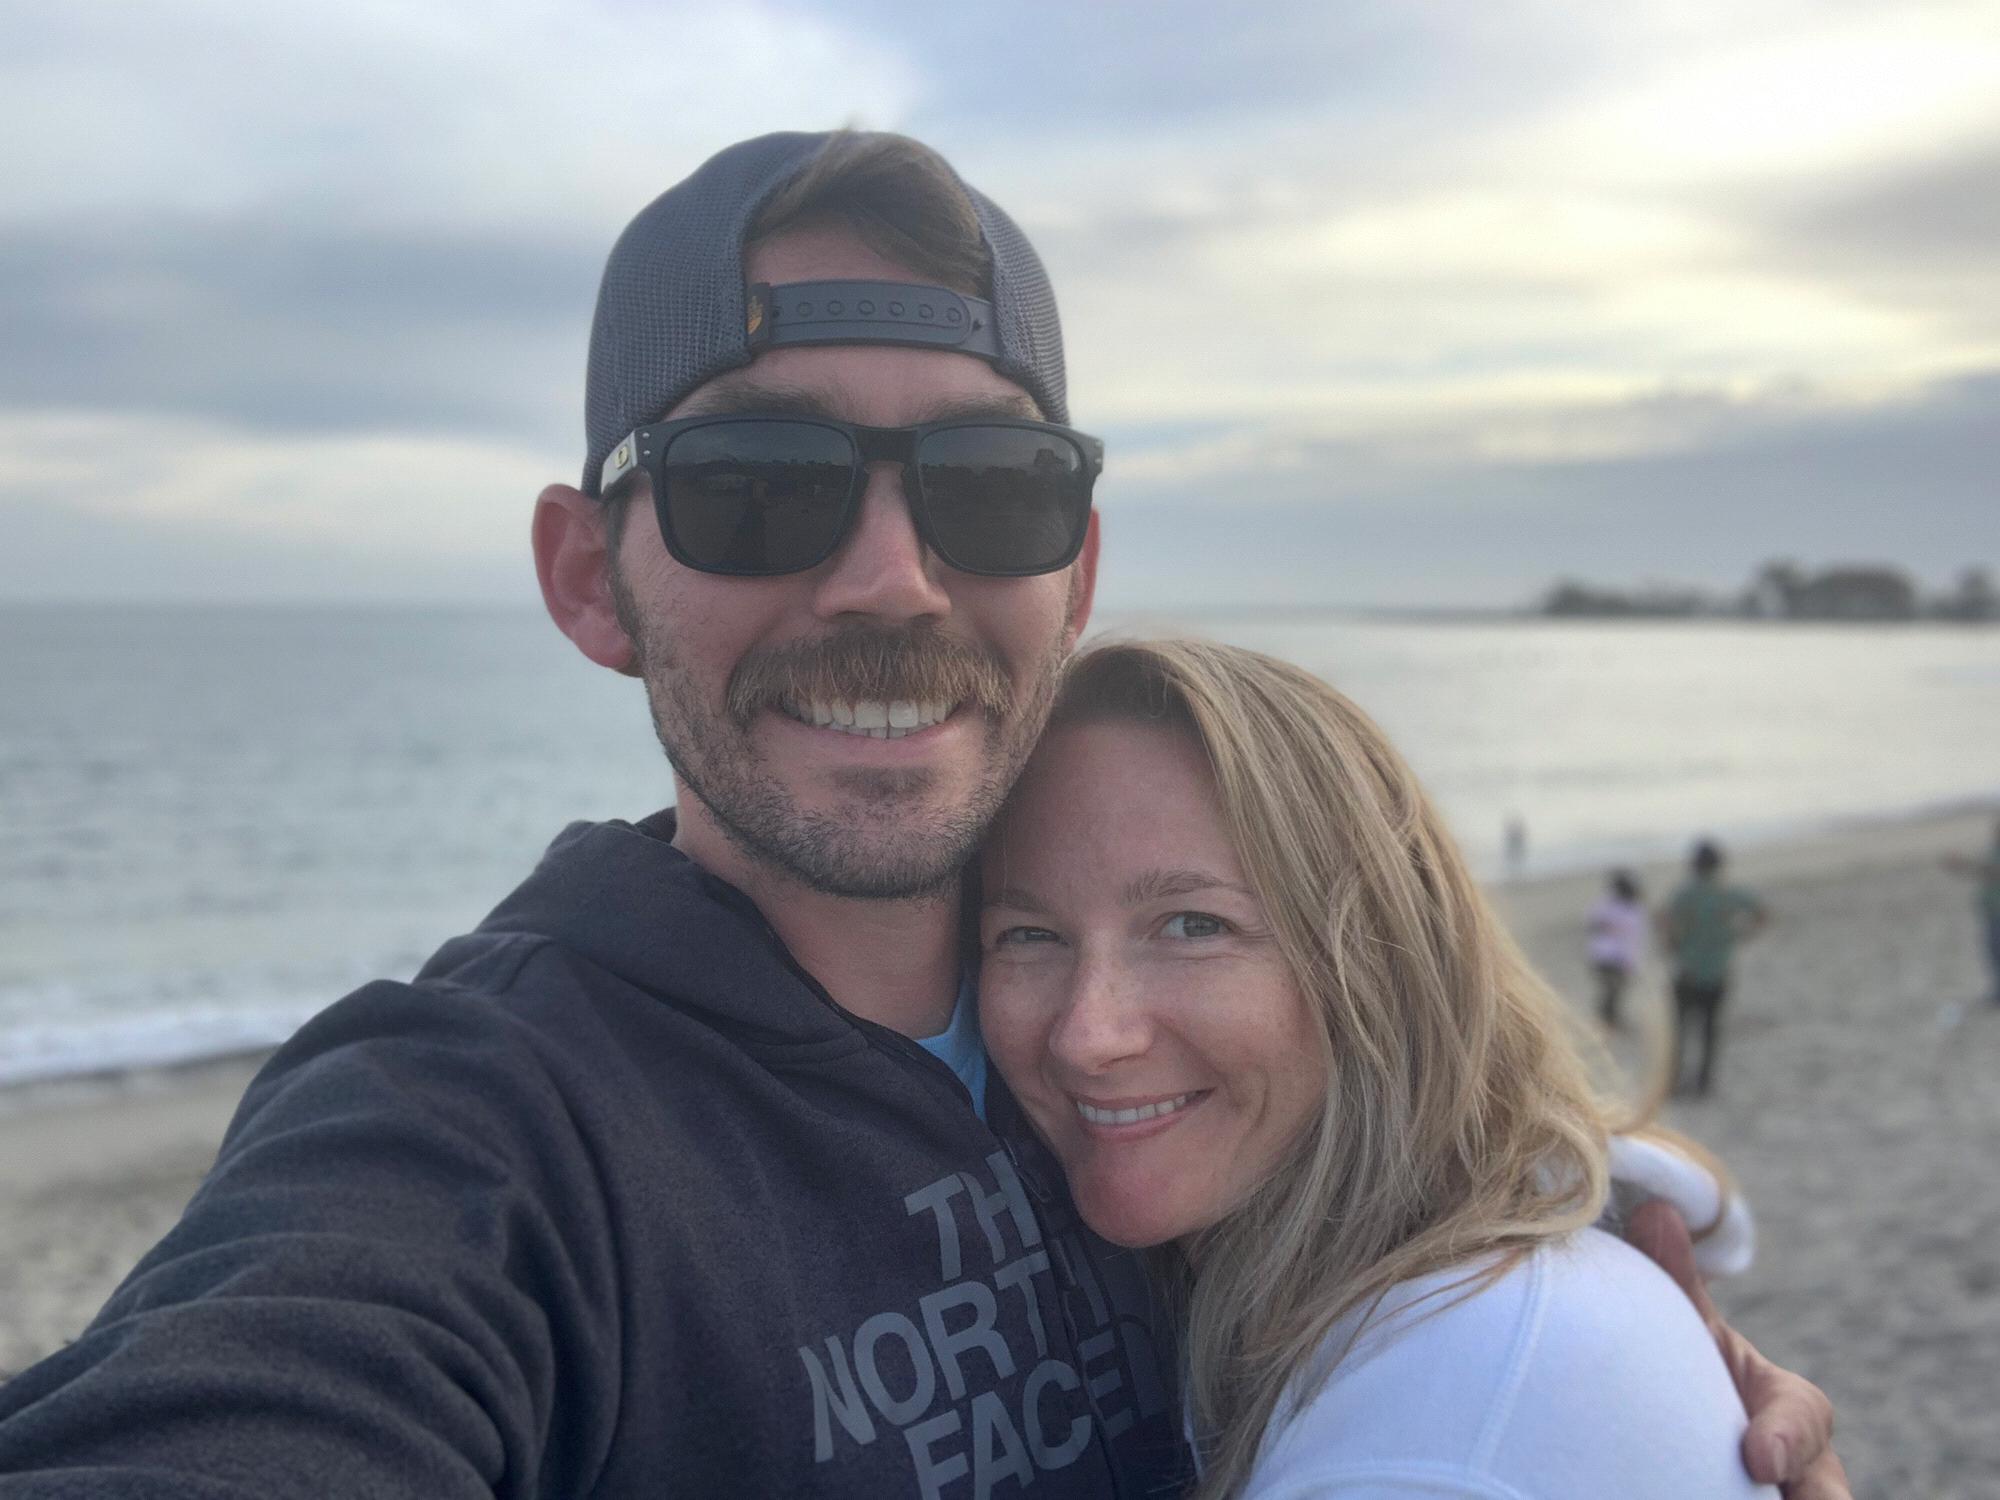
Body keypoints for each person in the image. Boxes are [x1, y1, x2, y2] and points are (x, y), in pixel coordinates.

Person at [0, 131, 1844, 1497]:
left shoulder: (1131, 1076)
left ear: (1077, 572)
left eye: (991, 485)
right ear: (587, 578)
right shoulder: (475, 1127)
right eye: (754, 483)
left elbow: (1427, 1185)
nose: (892, 578)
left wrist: (1632, 1370)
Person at [979, 639, 1778, 1498]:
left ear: (1381, 962)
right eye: (1029, 935)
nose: (1087, 1036)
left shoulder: (1438, 1429)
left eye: (1194, 925)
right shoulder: (1316, 1306)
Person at [1664, 839, 1769, 1096]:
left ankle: (1675, 1081)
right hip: (1718, 971)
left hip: (1688, 971)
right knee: (1710, 1030)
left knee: (1681, 1031)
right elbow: (1762, 913)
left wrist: (1674, 945)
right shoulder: (1729, 894)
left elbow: (1665, 920)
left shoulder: (1686, 894)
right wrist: (1741, 935)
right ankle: (1703, 1082)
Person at [1942, 818, 2000, 1004]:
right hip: (1990, 909)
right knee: (1992, 951)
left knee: (1996, 949)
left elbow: (1990, 870)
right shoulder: (1992, 850)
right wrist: (1961, 865)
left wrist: (1963, 863)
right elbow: (1982, 870)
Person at [1587, 869, 1647, 1027]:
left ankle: (1607, 1020)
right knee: (1613, 990)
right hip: (1611, 957)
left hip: (1605, 956)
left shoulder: (1609, 905)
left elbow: (1594, 923)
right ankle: (1608, 1020)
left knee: (1612, 991)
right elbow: (1631, 940)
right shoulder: (1628, 910)